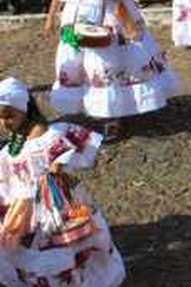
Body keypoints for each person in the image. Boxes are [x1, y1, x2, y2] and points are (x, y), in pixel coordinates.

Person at [45, 0, 180, 139]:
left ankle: (113, 116)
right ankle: (89, 106)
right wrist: (51, 18)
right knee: (77, 62)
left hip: (111, 15)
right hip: (76, 17)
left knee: (107, 64)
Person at [0, 77, 126, 287]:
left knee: (65, 244)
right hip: (20, 207)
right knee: (28, 252)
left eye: (8, 116)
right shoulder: (11, 145)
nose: (4, 123)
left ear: (24, 108)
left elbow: (73, 150)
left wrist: (56, 166)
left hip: (55, 204)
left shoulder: (49, 137)